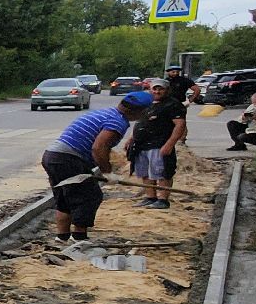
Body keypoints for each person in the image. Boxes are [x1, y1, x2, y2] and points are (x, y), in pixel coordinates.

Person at [41, 91, 154, 242]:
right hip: (68, 158)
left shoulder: (107, 113)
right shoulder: (117, 121)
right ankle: (79, 238)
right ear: (139, 111)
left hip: (53, 156)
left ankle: (62, 237)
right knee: (89, 196)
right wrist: (107, 172)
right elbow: (99, 148)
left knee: (65, 198)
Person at [128, 77, 187, 209]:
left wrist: (169, 144)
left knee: (162, 172)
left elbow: (180, 125)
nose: (157, 91)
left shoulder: (173, 105)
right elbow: (140, 122)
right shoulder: (147, 103)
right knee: (144, 172)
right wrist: (131, 139)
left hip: (160, 144)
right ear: (150, 90)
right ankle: (150, 197)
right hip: (142, 145)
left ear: (167, 90)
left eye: (161, 89)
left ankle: (163, 200)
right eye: (155, 89)